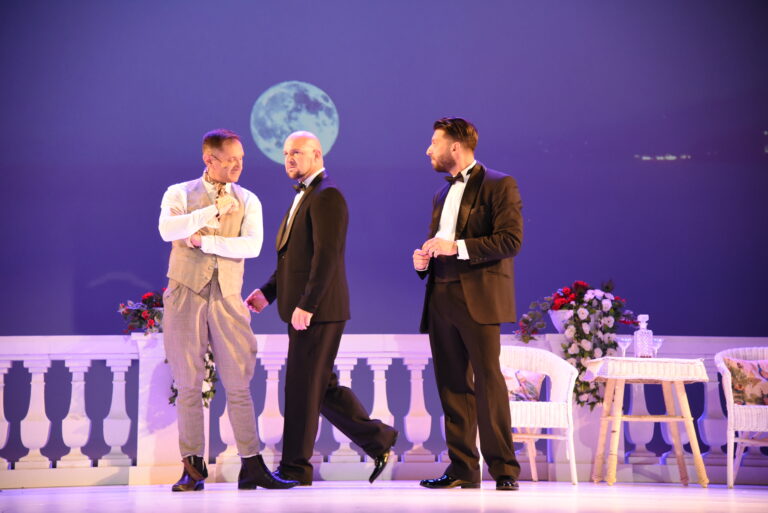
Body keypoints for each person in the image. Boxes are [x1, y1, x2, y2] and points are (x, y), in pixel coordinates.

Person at [246, 131, 398, 486]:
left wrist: (308, 304)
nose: (289, 158)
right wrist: (268, 292)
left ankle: (295, 468)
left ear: (317, 154)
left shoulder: (327, 195)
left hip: (318, 310)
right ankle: (378, 439)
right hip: (306, 309)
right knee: (319, 386)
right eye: (286, 153)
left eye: (297, 152)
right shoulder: (306, 196)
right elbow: (294, 260)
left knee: (302, 388)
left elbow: (327, 257)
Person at [158, 129, 297, 491]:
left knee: (238, 384)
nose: (238, 165)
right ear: (209, 159)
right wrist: (210, 211)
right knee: (188, 385)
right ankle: (192, 469)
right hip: (185, 293)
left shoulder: (248, 199)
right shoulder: (179, 193)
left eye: (241, 159)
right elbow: (168, 229)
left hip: (228, 297)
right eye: (230, 159)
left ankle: (251, 465)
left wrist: (204, 241)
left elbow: (251, 246)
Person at [413, 117, 523, 491]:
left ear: (455, 147)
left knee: (488, 382)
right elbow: (439, 242)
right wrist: (424, 261)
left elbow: (510, 240)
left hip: (478, 296)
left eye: (434, 142)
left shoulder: (499, 184)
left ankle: (504, 469)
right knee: (451, 385)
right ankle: (463, 468)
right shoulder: (440, 195)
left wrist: (456, 247)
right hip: (441, 294)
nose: (428, 150)